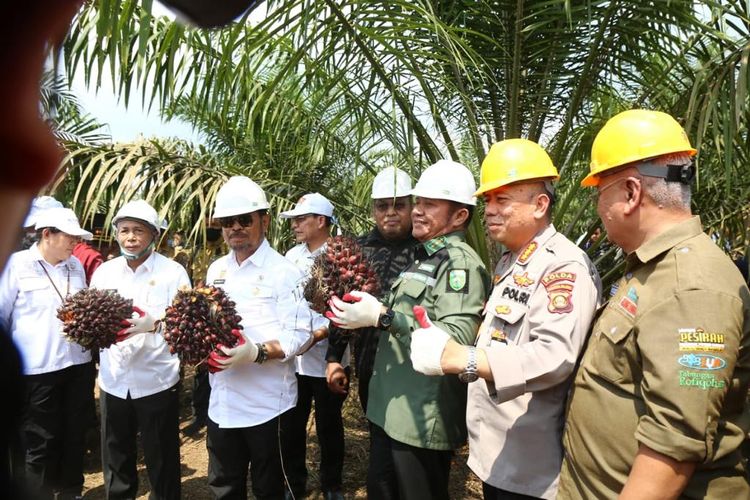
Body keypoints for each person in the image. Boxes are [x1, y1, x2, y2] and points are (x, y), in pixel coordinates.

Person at [557, 109, 750, 498]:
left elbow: (673, 446)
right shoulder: (651, 268)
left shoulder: (692, 287)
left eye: (600, 192)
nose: (597, 207)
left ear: (630, 193)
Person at [409, 139, 602, 499]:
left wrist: (462, 358)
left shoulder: (562, 266)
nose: (491, 211)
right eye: (487, 201)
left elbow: (553, 357)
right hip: (498, 450)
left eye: (503, 200)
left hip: (531, 464)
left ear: (540, 204)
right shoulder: (511, 262)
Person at [328, 160, 491, 500]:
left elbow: (457, 341)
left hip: (421, 415)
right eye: (417, 202)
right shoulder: (426, 257)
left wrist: (384, 317)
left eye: (429, 204)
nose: (417, 211)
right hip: (392, 409)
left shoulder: (458, 263)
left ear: (459, 216)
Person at [204, 176, 313, 499]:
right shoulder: (216, 271)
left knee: (269, 488)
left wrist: (256, 352)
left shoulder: (284, 272)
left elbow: (299, 337)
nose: (235, 227)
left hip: (268, 406)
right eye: (227, 221)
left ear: (263, 220)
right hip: (222, 403)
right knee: (224, 486)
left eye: (244, 220)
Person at [90, 200, 189, 500]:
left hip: (156, 379)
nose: (130, 237)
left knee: (162, 457)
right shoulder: (104, 273)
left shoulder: (174, 274)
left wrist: (157, 325)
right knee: (116, 456)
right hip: (114, 380)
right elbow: (91, 317)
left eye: (138, 231)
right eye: (124, 231)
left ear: (154, 235)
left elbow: (186, 327)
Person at [0, 207, 95, 500]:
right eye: (69, 237)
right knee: (39, 440)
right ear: (46, 234)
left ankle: (71, 491)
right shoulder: (16, 265)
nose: (74, 243)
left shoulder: (75, 266)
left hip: (78, 364)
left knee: (74, 433)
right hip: (37, 370)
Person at [325, 167, 419, 413]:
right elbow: (341, 305)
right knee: (376, 435)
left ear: (412, 207)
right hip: (369, 362)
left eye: (398, 206)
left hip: (414, 366)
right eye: (382, 206)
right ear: (373, 210)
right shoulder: (356, 249)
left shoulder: (427, 250)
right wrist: (334, 358)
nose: (390, 213)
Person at [279, 193, 346, 500]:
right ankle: (295, 482)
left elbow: (350, 308)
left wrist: (320, 335)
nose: (295, 225)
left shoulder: (342, 256)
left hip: (329, 360)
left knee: (329, 426)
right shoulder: (291, 258)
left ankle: (332, 484)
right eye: (293, 220)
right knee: (291, 425)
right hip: (295, 360)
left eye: (301, 219)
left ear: (321, 221)